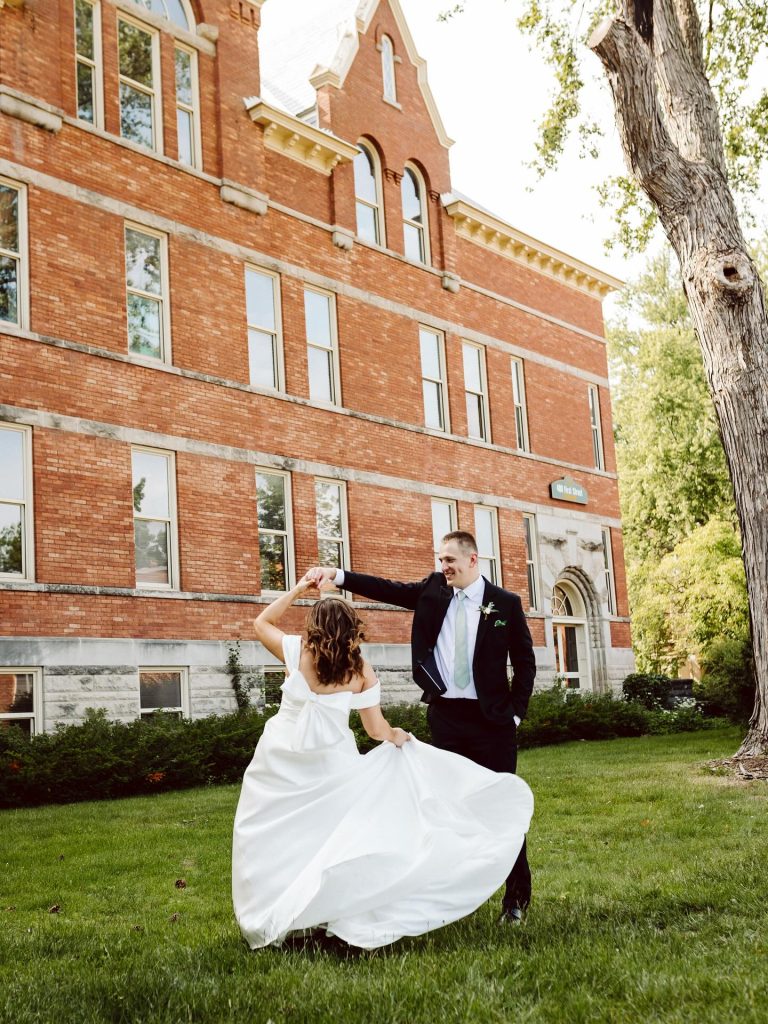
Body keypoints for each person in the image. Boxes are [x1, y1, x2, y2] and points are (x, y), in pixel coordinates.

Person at [232, 573, 533, 950]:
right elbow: (376, 730)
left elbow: (261, 623)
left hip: (280, 761)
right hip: (331, 765)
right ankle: (324, 912)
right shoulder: (360, 671)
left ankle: (279, 912)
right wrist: (398, 736)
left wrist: (297, 590)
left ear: (315, 627)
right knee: (329, 841)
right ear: (351, 630)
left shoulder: (296, 652)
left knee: (276, 839)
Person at [309, 529, 537, 926]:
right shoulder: (433, 590)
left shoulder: (505, 604)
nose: (443, 566)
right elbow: (388, 588)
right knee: (445, 809)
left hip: (493, 722)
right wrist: (339, 575)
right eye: (440, 559)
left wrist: (515, 712)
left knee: (499, 807)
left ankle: (515, 898)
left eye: (449, 560)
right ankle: (450, 897)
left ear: (472, 560)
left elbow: (525, 661)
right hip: (447, 717)